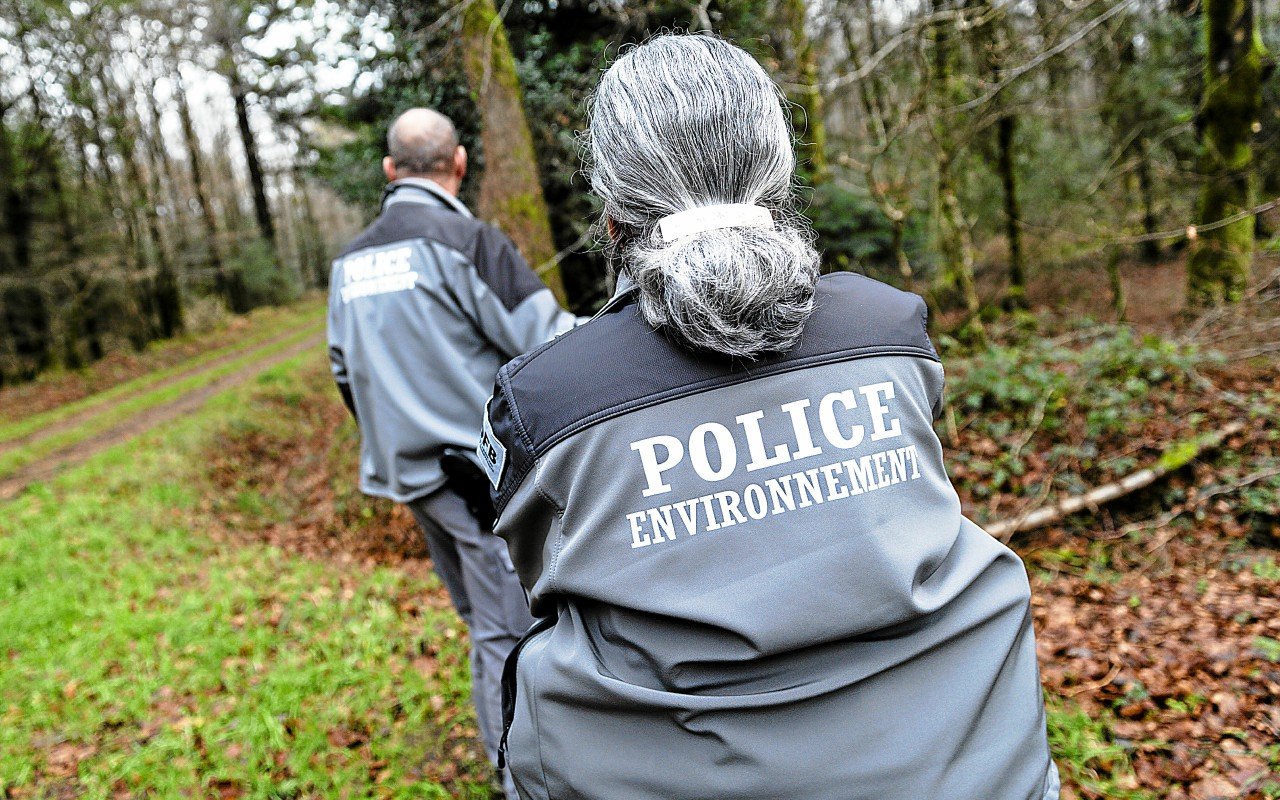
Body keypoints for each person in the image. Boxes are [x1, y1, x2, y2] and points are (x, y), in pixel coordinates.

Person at [481, 35, 1060, 800]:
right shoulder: (892, 330)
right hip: (981, 762)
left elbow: (539, 583)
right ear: (778, 179)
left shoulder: (542, 401)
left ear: (612, 211)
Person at [326, 107, 577, 797]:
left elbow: (346, 375)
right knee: (505, 629)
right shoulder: (471, 244)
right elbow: (552, 346)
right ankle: (514, 777)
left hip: (411, 480)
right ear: (459, 163)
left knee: (480, 614)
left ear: (388, 170)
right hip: (475, 480)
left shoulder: (348, 267)